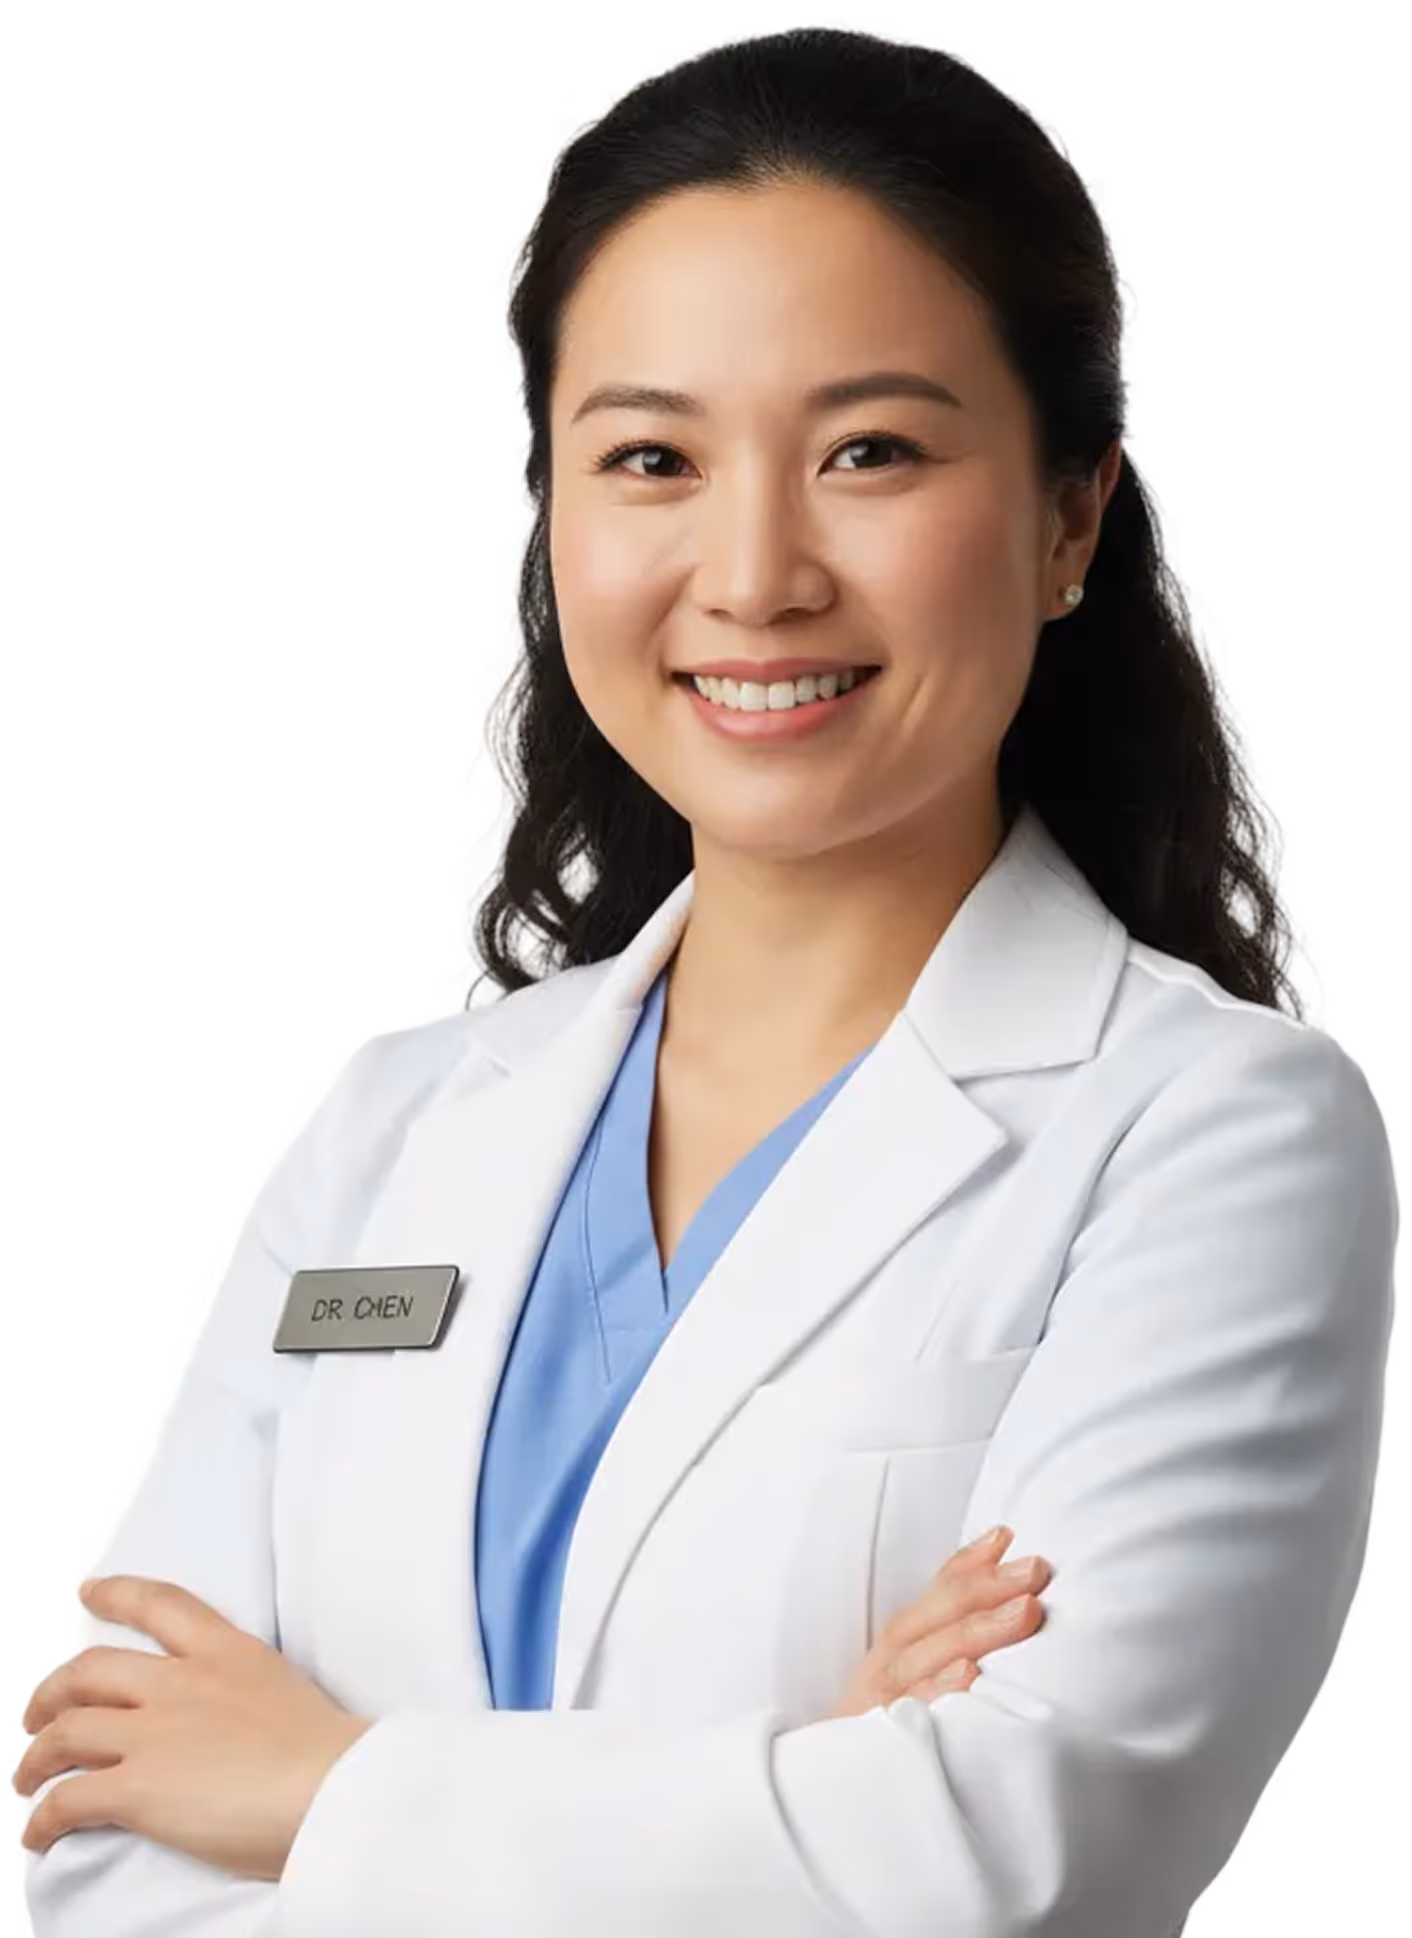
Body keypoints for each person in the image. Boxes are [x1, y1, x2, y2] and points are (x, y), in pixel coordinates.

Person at [20, 25, 1396, 1937]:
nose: (754, 573)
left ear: (1071, 516)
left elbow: (1018, 1856)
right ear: (551, 516)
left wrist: (323, 1788)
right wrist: (806, 1786)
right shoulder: (386, 1123)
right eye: (653, 457)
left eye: (871, 452)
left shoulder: (1220, 1134)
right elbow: (103, 1819)